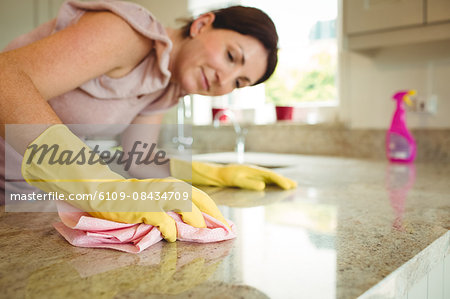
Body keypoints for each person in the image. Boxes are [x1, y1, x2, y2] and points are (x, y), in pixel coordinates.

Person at [0, 0, 296, 242]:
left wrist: (217, 174)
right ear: (202, 24)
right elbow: (5, 78)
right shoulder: (127, 34)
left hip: (22, 200)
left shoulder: (165, 87)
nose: (224, 80)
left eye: (239, 83)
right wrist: (97, 185)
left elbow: (139, 159)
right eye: (231, 57)